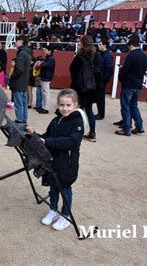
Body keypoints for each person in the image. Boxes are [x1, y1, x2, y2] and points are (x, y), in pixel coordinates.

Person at [26, 89, 85, 231]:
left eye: (68, 105)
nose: (65, 108)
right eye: (61, 105)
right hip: (53, 161)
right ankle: (53, 209)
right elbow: (47, 136)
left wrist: (47, 141)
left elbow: (72, 142)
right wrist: (35, 135)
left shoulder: (77, 122)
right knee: (53, 187)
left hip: (67, 164)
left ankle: (65, 215)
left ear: (75, 105)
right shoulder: (56, 120)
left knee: (64, 189)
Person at [115, 35, 147, 136]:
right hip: (138, 85)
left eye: (129, 46)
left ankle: (126, 128)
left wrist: (121, 78)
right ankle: (139, 126)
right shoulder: (144, 56)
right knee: (134, 106)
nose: (128, 48)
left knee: (125, 106)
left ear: (132, 45)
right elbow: (144, 70)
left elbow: (125, 71)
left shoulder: (131, 55)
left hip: (129, 84)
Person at [69, 35, 99, 142]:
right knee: (89, 110)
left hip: (80, 88)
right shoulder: (96, 55)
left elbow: (72, 70)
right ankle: (92, 132)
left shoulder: (79, 56)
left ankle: (78, 132)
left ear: (83, 43)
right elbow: (98, 71)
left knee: (79, 111)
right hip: (91, 87)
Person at [9, 36, 32, 124]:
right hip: (24, 82)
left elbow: (19, 69)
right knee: (23, 103)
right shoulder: (27, 53)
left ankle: (20, 120)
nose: (16, 42)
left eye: (17, 41)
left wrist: (12, 77)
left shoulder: (22, 53)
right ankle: (23, 120)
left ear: (21, 41)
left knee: (19, 103)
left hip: (19, 82)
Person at [95, 39, 114, 120]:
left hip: (101, 80)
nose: (98, 46)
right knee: (98, 97)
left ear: (104, 45)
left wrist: (103, 79)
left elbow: (110, 69)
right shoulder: (102, 54)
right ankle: (100, 113)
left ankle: (101, 114)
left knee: (100, 97)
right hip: (99, 79)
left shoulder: (107, 55)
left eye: (100, 44)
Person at [38, 46, 56, 114]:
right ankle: (44, 107)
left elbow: (45, 65)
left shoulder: (51, 58)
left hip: (46, 77)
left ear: (50, 51)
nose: (44, 51)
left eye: (46, 50)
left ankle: (46, 108)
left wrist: (41, 63)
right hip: (44, 76)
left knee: (46, 93)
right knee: (44, 93)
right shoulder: (49, 58)